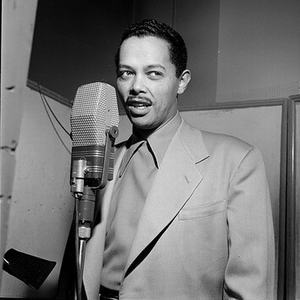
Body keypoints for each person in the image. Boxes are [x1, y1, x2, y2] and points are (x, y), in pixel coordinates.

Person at [82, 19, 275, 300]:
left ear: (181, 82)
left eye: (153, 74)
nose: (136, 86)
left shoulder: (236, 161)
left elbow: (252, 290)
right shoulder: (101, 161)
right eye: (126, 73)